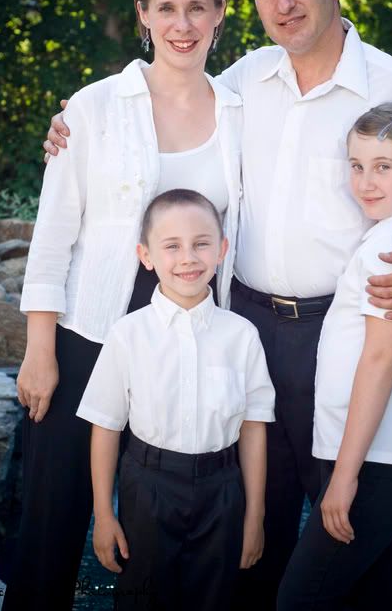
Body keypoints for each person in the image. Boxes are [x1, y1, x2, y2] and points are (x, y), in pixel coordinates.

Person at [44, 0, 392, 609]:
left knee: (351, 528)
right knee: (253, 521)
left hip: (338, 334)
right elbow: (168, 102)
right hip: (246, 323)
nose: (282, 2)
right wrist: (78, 126)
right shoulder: (246, 79)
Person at [2, 0, 243, 611]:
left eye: (196, 7)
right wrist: (40, 350)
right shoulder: (93, 107)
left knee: (158, 533)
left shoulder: (241, 112)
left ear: (219, 14)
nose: (182, 24)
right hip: (88, 335)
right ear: (143, 14)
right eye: (166, 7)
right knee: (50, 525)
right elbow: (54, 234)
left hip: (183, 344)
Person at [277, 102, 392, 610]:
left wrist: (344, 477)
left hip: (375, 459)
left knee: (299, 598)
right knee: (375, 597)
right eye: (356, 165)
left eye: (383, 166)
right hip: (382, 455)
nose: (366, 182)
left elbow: (381, 361)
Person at [76, 189, 275, 611]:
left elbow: (254, 428)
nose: (188, 258)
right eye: (172, 246)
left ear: (221, 250)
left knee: (215, 600)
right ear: (145, 256)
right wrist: (103, 515)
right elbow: (105, 426)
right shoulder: (127, 335)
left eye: (201, 244)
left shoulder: (241, 336)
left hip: (223, 491)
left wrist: (254, 515)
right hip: (148, 488)